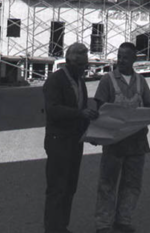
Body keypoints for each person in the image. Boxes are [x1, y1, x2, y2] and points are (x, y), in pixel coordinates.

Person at [94, 42, 150, 233]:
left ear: (135, 59)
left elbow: (149, 106)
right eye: (119, 56)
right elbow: (99, 110)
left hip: (137, 142)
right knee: (107, 184)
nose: (121, 60)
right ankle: (103, 224)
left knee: (132, 184)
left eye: (125, 57)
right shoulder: (107, 80)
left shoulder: (140, 82)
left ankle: (123, 220)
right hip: (114, 142)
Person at [43, 42, 99, 233]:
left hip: (75, 142)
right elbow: (52, 110)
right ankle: (52, 229)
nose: (84, 69)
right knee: (57, 188)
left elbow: (81, 111)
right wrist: (79, 114)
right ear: (69, 62)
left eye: (86, 65)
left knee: (69, 188)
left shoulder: (80, 82)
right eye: (81, 66)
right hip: (58, 141)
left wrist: (91, 134)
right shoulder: (55, 80)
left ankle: (62, 227)